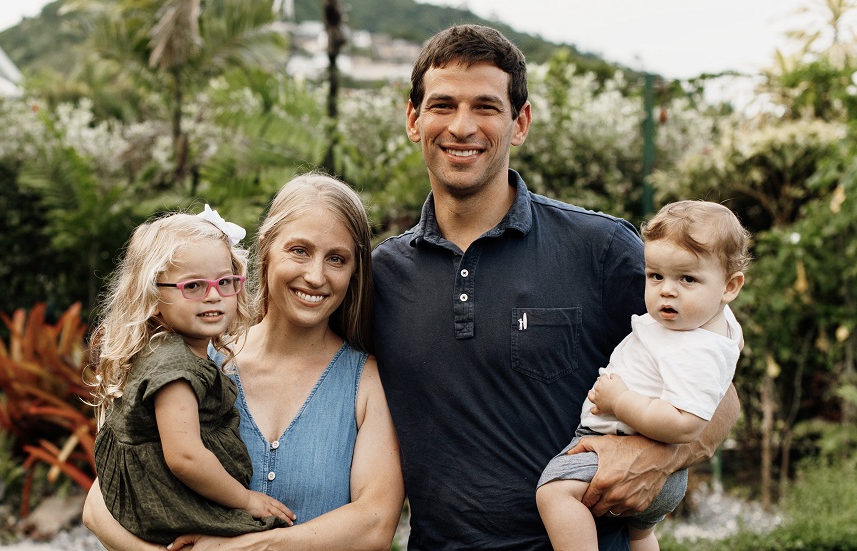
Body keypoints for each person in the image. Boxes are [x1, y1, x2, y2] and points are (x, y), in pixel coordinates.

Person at [370, 24, 741, 550]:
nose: (462, 125)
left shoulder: (602, 248)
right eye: (442, 105)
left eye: (486, 106)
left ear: (520, 123)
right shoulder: (380, 276)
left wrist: (661, 459)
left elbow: (721, 396)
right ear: (414, 119)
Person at [82, 173, 405, 551]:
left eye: (337, 259)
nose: (315, 276)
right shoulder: (194, 363)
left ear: (354, 272)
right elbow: (98, 505)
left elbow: (375, 524)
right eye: (299, 250)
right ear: (266, 250)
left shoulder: (365, 382)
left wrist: (248, 548)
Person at [536, 200, 750, 551]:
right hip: (660, 478)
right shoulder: (719, 326)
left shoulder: (695, 349)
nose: (667, 290)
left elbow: (685, 425)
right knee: (641, 534)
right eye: (656, 276)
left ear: (730, 287)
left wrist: (620, 401)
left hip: (622, 447)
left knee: (555, 494)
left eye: (688, 278)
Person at [88, 205, 294, 544]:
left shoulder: (166, 352)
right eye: (194, 286)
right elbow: (185, 458)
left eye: (224, 282)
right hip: (171, 503)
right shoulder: (175, 369)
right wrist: (246, 500)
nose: (213, 295)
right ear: (153, 297)